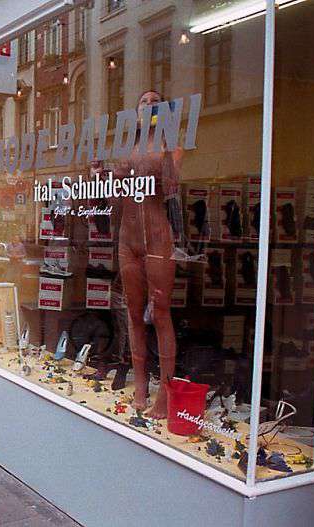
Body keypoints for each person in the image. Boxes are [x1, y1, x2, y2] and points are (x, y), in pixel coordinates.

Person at [114, 90, 183, 418]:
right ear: (136, 111)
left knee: (161, 313)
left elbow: (172, 185)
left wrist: (166, 157)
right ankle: (140, 384)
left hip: (157, 237)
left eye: (156, 101)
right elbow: (113, 193)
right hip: (127, 239)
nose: (149, 104)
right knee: (133, 312)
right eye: (144, 101)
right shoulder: (126, 147)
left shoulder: (172, 144)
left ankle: (166, 393)